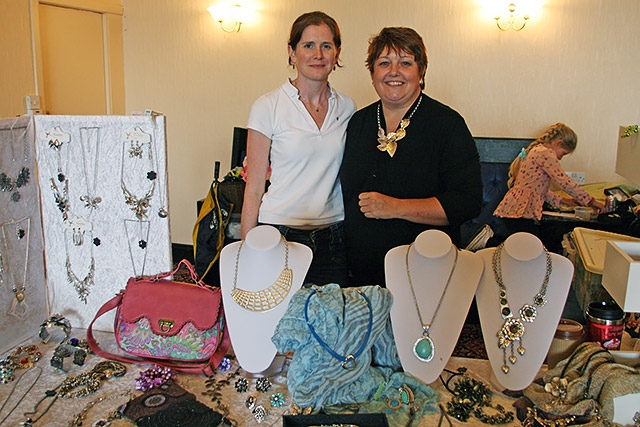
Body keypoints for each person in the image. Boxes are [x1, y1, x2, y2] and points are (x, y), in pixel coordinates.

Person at [340, 27, 483, 287]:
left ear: (421, 71)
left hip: (427, 275)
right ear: (372, 73)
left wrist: (395, 208)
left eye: (405, 63)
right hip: (360, 278)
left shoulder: (447, 124)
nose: (394, 72)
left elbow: (467, 202)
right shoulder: (357, 123)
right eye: (384, 63)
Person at [240, 11, 356, 287]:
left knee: (327, 323)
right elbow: (254, 186)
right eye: (308, 45)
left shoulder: (348, 107)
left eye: (326, 46)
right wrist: (247, 247)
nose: (318, 54)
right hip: (279, 233)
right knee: (278, 322)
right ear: (292, 53)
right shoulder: (267, 106)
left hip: (333, 236)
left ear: (337, 53)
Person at [493, 122, 605, 249]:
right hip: (522, 211)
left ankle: (489, 241)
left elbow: (538, 190)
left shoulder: (536, 151)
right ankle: (487, 242)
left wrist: (564, 201)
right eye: (563, 153)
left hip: (516, 208)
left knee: (526, 247)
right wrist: (591, 201)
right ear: (558, 143)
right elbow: (564, 181)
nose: (561, 158)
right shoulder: (545, 153)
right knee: (530, 249)